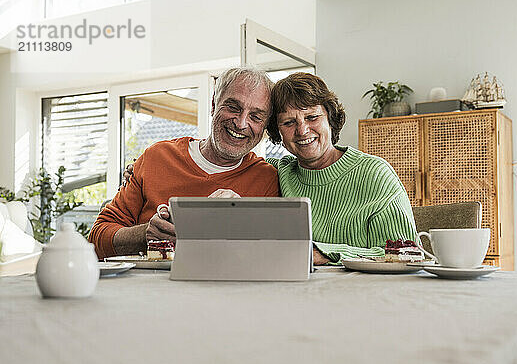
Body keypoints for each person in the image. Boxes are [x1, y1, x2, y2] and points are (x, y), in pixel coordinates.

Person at [88, 67, 280, 259]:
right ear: (213, 104)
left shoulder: (266, 178)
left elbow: (272, 254)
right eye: (233, 107)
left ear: (265, 125)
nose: (240, 123)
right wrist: (145, 234)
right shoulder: (156, 157)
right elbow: (96, 240)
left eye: (255, 116)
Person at [265, 72, 419, 265]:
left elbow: (406, 254)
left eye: (312, 117)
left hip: (366, 291)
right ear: (277, 131)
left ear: (330, 118)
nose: (302, 130)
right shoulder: (277, 172)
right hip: (297, 291)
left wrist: (326, 253)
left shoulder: (375, 173)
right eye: (289, 122)